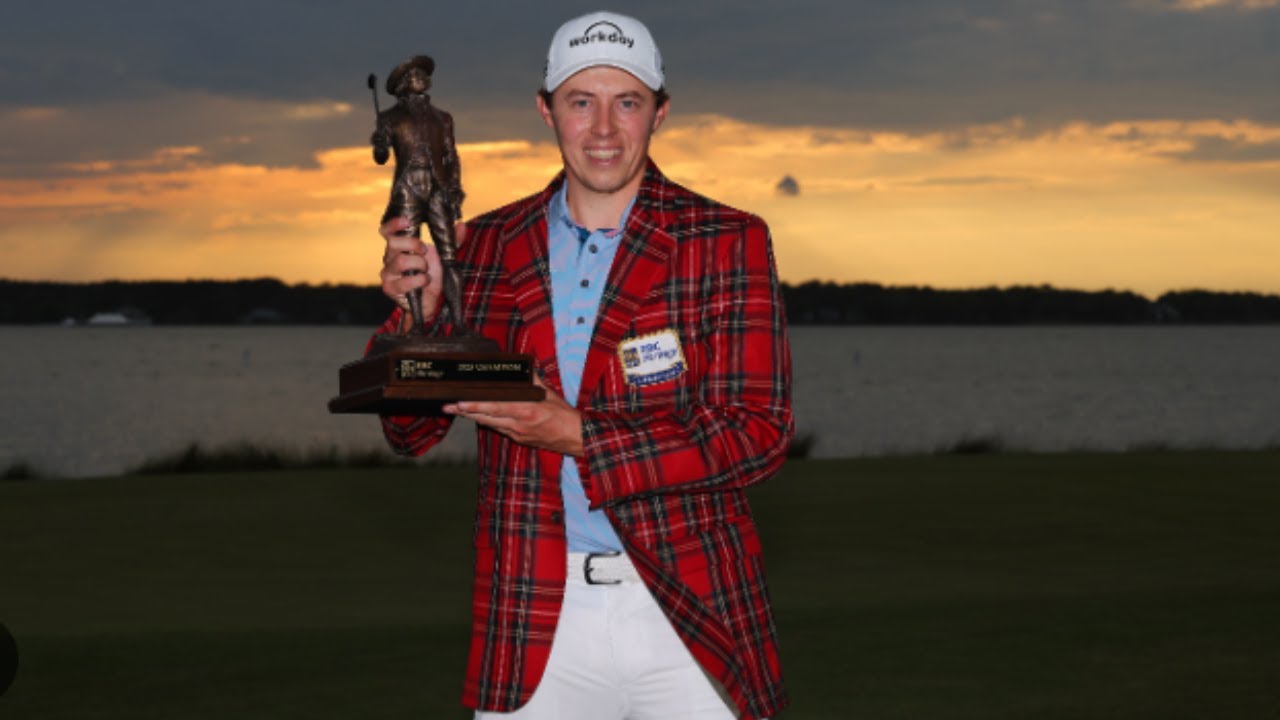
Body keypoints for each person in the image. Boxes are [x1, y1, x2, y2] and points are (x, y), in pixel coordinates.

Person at [373, 11, 792, 719]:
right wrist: (424, 311)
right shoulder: (485, 243)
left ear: (660, 113)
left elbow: (756, 432)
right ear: (546, 111)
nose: (603, 128)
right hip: (534, 620)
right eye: (580, 101)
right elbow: (407, 434)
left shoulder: (726, 239)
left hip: (689, 613)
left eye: (626, 101)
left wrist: (578, 435)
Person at [372, 54, 467, 331]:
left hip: (438, 191)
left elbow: (451, 156)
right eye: (415, 74)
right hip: (408, 192)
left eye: (424, 75)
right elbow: (380, 156)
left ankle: (460, 324)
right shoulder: (389, 118)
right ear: (402, 84)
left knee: (450, 258)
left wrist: (454, 188)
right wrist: (379, 143)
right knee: (409, 260)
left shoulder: (443, 118)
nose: (422, 78)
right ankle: (417, 325)